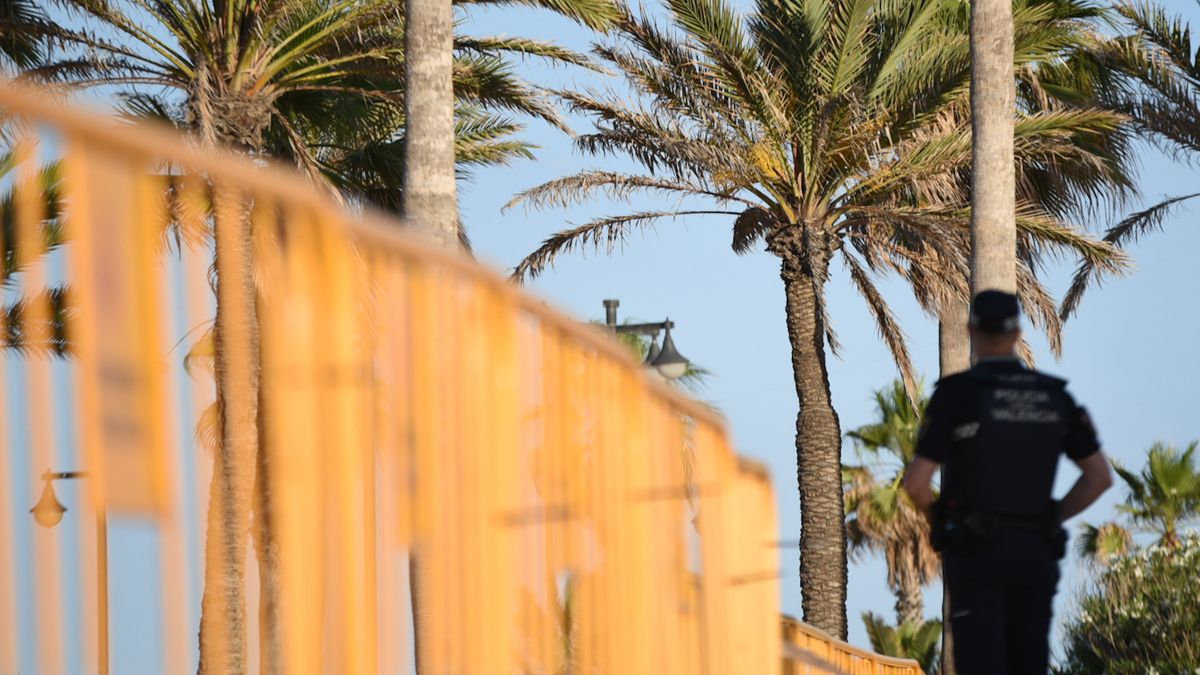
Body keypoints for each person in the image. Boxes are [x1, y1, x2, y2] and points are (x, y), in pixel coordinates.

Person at [903, 289, 1113, 675]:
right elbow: (1099, 477)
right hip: (1036, 551)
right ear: (1018, 334)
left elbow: (916, 484)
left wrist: (942, 524)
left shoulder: (956, 396)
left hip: (975, 552)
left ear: (970, 331)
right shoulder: (1055, 397)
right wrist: (1053, 516)